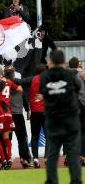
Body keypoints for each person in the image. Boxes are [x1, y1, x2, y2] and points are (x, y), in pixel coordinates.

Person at [40, 50, 82, 184]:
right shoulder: (69, 74)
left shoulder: (45, 76)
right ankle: (76, 180)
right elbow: (78, 86)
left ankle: (52, 180)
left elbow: (43, 91)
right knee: (73, 153)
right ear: (63, 62)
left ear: (50, 62)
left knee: (53, 153)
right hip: (70, 119)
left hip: (53, 119)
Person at [0, 66, 23, 170]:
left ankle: (4, 160)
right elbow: (19, 89)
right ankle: (9, 158)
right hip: (8, 112)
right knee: (6, 137)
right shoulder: (8, 82)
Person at [28, 63, 47, 168]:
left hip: (35, 111)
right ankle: (47, 157)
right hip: (46, 111)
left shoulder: (32, 80)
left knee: (34, 137)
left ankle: (35, 158)